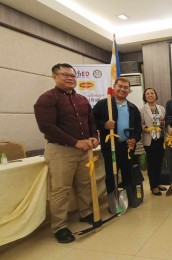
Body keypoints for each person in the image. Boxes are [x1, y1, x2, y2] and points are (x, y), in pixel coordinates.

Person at [34, 63, 99, 243]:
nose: (70, 78)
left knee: (85, 184)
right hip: (61, 151)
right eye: (65, 75)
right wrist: (75, 142)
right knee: (61, 190)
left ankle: (85, 213)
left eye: (73, 75)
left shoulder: (82, 100)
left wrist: (94, 137)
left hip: (84, 150)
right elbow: (47, 127)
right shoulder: (47, 99)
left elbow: (91, 123)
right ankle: (60, 227)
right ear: (54, 77)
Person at [93, 77, 142, 211]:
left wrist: (135, 139)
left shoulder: (132, 108)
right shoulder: (104, 104)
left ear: (129, 90)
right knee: (111, 173)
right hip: (110, 147)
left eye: (126, 87)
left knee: (128, 172)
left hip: (127, 146)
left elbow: (138, 128)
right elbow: (92, 120)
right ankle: (113, 202)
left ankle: (129, 198)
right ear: (114, 87)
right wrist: (104, 125)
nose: (122, 89)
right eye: (120, 86)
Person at [140, 88, 167, 195]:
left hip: (160, 138)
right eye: (147, 93)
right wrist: (148, 129)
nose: (150, 95)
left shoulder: (161, 108)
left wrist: (162, 122)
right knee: (152, 163)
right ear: (145, 96)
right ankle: (153, 186)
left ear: (156, 95)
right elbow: (140, 124)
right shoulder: (142, 109)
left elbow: (164, 123)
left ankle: (158, 182)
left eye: (152, 93)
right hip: (150, 139)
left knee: (159, 161)